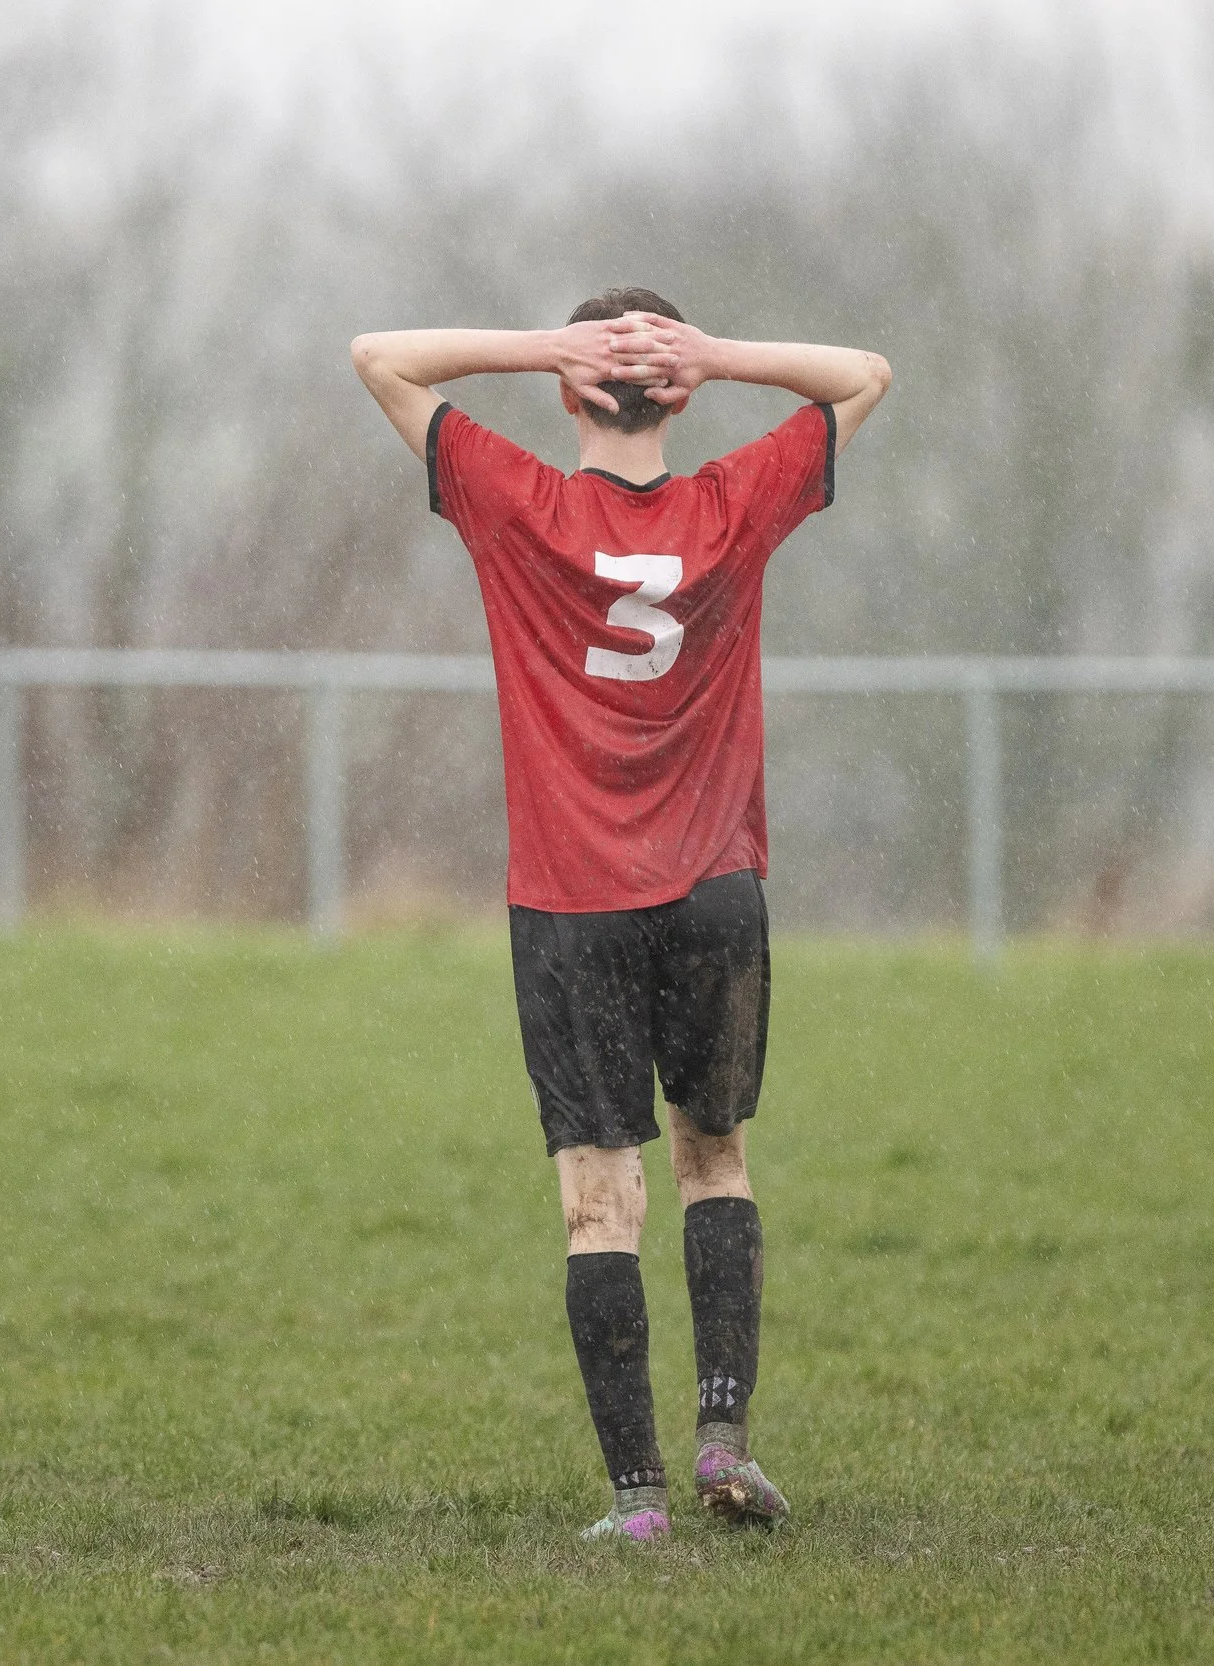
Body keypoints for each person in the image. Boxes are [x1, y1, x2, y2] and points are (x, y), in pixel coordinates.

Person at [349, 289, 892, 1542]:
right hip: (714, 891)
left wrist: (541, 345)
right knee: (715, 1160)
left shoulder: (516, 501)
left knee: (602, 1201)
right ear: (680, 392)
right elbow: (862, 373)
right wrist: (718, 356)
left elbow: (378, 356)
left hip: (571, 899)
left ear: (566, 392)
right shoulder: (731, 505)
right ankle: (723, 1443)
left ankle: (637, 1503)